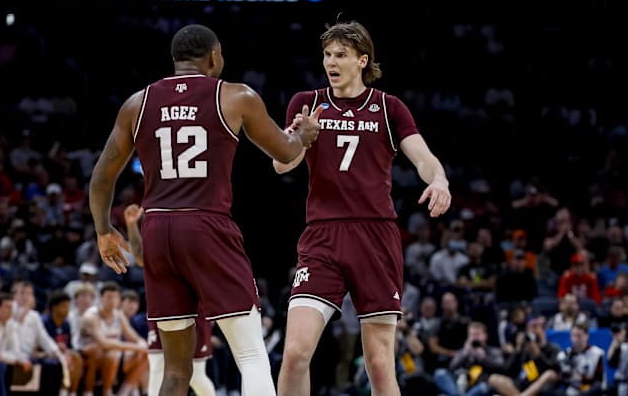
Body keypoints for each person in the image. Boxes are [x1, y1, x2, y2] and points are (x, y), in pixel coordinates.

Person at [88, 23, 322, 396]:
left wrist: (104, 230)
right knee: (250, 355)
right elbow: (286, 150)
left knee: (176, 371)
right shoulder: (235, 95)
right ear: (213, 57)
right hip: (206, 225)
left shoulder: (138, 103)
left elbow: (101, 178)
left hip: (158, 230)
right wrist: (304, 135)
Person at [273, 20, 451, 396]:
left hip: (375, 235)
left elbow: (423, 158)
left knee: (380, 364)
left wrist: (439, 180)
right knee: (294, 354)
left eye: (340, 55)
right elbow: (280, 165)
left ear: (361, 60)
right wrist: (301, 139)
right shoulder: (308, 102)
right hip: (322, 235)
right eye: (327, 55)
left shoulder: (389, 107)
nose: (331, 62)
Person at [124, 204, 216, 396]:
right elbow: (141, 258)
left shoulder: (197, 234)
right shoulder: (158, 232)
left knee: (196, 375)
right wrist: (132, 226)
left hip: (195, 311)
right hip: (162, 309)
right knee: (157, 365)